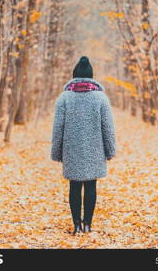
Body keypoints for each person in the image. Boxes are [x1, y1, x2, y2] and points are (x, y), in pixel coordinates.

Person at [51, 56, 116, 235]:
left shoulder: (64, 98)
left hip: (71, 150)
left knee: (74, 186)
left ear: (74, 76)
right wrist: (110, 151)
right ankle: (87, 224)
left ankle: (76, 225)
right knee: (90, 186)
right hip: (95, 150)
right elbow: (108, 128)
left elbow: (58, 128)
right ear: (91, 76)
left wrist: (56, 152)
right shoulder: (100, 98)